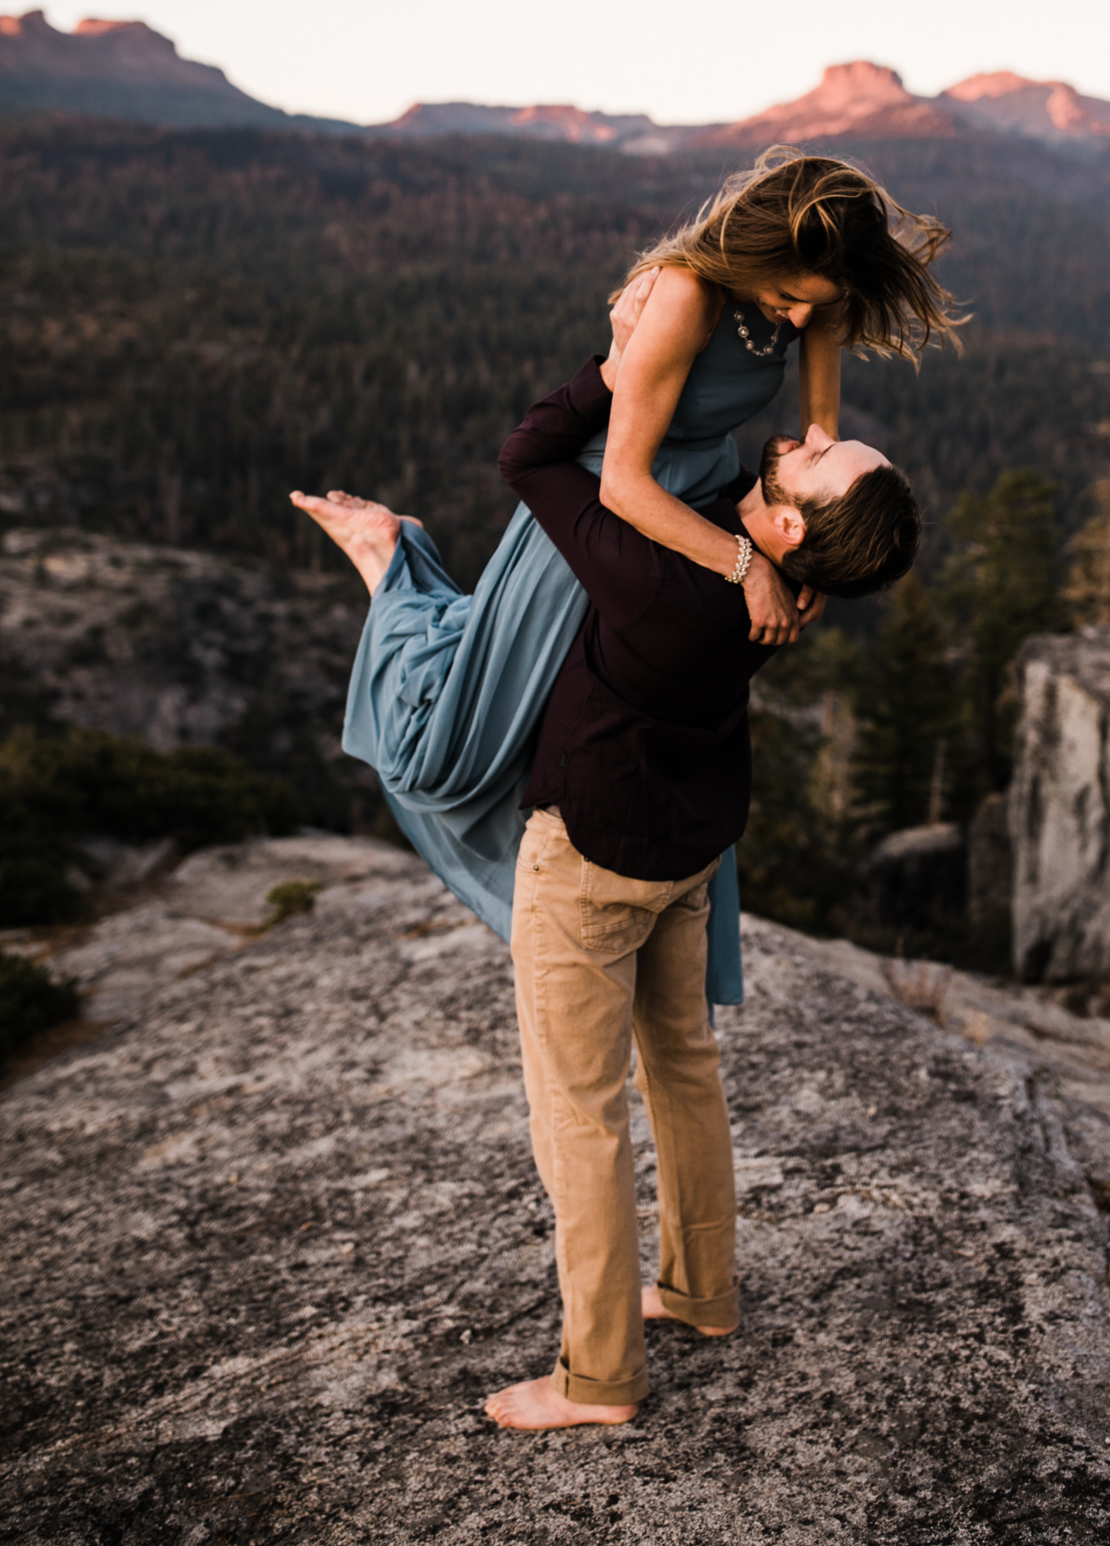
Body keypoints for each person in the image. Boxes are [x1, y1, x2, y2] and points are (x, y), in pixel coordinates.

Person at [295, 293, 922, 1431]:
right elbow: (759, 511)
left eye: (813, 461)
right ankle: (701, 1290)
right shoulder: (793, 593)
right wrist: (752, 552)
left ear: (786, 529)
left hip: (591, 858)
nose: (798, 435)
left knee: (576, 1114)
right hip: (687, 848)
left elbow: (530, 452)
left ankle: (599, 1375)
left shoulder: (654, 570)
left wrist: (623, 360)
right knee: (681, 1066)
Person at [293, 144, 958, 1010]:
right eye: (788, 296)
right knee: (474, 726)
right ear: (754, 251)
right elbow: (621, 482)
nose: (798, 321)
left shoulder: (818, 290)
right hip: (614, 506)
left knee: (604, 710)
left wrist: (810, 561)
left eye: (815, 306)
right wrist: (746, 562)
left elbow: (819, 441)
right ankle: (388, 554)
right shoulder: (685, 293)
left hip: (713, 498)